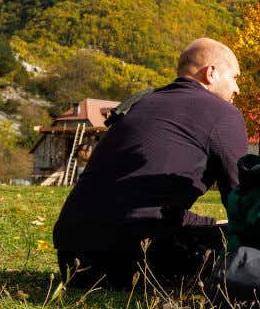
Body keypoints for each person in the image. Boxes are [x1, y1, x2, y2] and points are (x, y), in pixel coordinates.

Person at [53, 38, 247, 289]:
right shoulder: (223, 113)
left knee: (211, 227)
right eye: (235, 78)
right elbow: (243, 199)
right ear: (211, 73)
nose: (237, 90)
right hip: (137, 257)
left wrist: (210, 224)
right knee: (244, 243)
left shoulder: (138, 104)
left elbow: (134, 199)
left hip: (73, 259)